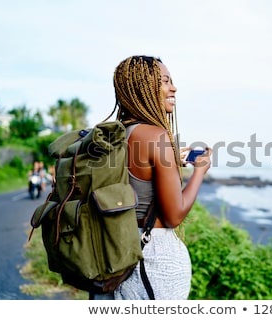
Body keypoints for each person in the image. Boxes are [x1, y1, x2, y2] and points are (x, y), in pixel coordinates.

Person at [93, 55, 212, 300]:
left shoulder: (115, 134)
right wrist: (199, 171)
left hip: (112, 254)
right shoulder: (156, 136)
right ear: (143, 89)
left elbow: (134, 175)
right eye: (165, 81)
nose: (173, 87)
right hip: (152, 260)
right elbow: (173, 216)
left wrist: (169, 161)